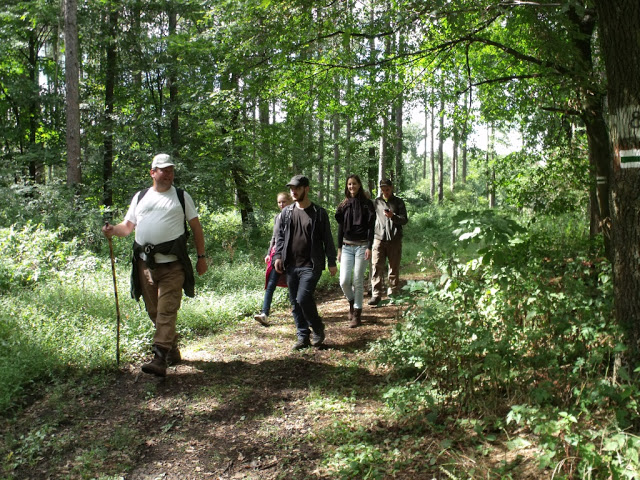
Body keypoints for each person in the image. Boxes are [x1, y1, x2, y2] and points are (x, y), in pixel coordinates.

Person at [102, 153, 208, 377]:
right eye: (163, 170)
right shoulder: (141, 197)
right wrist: (113, 231)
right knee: (154, 311)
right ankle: (171, 348)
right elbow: (127, 227)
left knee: (166, 310)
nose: (168, 174)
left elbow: (196, 227)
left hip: (173, 265)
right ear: (153, 172)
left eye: (171, 170)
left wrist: (201, 257)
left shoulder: (180, 196)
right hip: (145, 265)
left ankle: (159, 357)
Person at [273, 175, 337, 350]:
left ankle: (317, 328)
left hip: (311, 264)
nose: (293, 192)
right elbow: (279, 237)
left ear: (306, 189)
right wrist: (277, 256)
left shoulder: (319, 213)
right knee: (295, 302)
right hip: (291, 265)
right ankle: (303, 336)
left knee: (303, 298)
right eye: (291, 189)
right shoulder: (287, 213)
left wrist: (332, 261)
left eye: (297, 188)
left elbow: (328, 240)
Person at [335, 175, 375, 327]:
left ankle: (357, 313)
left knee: (358, 279)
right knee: (344, 281)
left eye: (354, 184)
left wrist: (370, 247)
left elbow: (371, 228)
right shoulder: (343, 205)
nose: (352, 186)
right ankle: (352, 302)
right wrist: (339, 249)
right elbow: (340, 229)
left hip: (362, 246)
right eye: (349, 184)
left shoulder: (367, 204)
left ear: (359, 185)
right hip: (346, 246)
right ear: (347, 186)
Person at [254, 192, 293, 326]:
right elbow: (274, 237)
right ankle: (265, 313)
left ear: (290, 201)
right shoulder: (277, 217)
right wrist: (268, 253)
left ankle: (300, 312)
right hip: (276, 255)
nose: (282, 204)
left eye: (284, 202)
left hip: (291, 256)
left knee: (294, 285)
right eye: (279, 202)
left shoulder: (294, 215)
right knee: (271, 284)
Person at [369, 178, 408, 306]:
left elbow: (404, 220)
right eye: (383, 189)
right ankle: (376, 294)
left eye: (387, 189)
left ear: (391, 188)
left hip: (394, 239)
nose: (385, 191)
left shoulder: (399, 202)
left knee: (394, 267)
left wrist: (393, 216)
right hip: (379, 238)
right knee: (376, 266)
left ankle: (393, 293)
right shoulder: (376, 202)